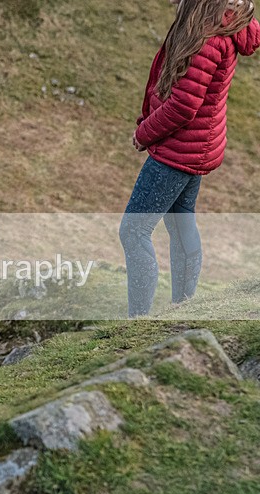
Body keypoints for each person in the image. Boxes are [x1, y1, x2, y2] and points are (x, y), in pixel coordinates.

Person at [120, 0, 259, 317]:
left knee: (133, 231)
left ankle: (137, 321)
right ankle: (183, 308)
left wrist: (144, 133)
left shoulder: (208, 36)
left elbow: (184, 106)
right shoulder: (215, 21)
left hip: (179, 149)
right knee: (180, 221)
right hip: (194, 146)